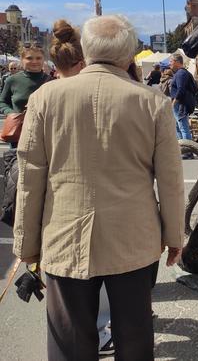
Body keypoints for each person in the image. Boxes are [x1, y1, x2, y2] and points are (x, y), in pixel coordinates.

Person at [13, 14, 185, 361]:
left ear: (86, 51)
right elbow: (170, 180)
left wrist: (26, 244)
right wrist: (174, 237)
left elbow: (30, 176)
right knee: (135, 337)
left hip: (65, 235)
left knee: (70, 342)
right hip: (134, 238)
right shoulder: (152, 102)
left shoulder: (46, 98)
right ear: (128, 55)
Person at [48, 19, 115, 356]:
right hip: (105, 207)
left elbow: (34, 172)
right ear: (82, 61)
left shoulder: (44, 97)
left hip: (60, 209)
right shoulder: (111, 93)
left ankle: (90, 334)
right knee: (98, 276)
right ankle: (100, 331)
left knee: (68, 290)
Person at [0, 44, 50, 147]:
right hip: (19, 133)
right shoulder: (12, 80)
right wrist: (11, 113)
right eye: (29, 58)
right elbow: (2, 102)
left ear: (43, 60)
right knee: (17, 162)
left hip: (44, 133)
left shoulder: (51, 81)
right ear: (22, 60)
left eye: (38, 58)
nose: (34, 61)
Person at [169, 53, 196, 141]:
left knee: (183, 128)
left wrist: (173, 102)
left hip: (180, 104)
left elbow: (181, 89)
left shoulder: (181, 73)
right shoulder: (180, 73)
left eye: (171, 61)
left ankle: (188, 152)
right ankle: (182, 150)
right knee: (178, 128)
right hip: (179, 104)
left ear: (177, 62)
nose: (170, 63)